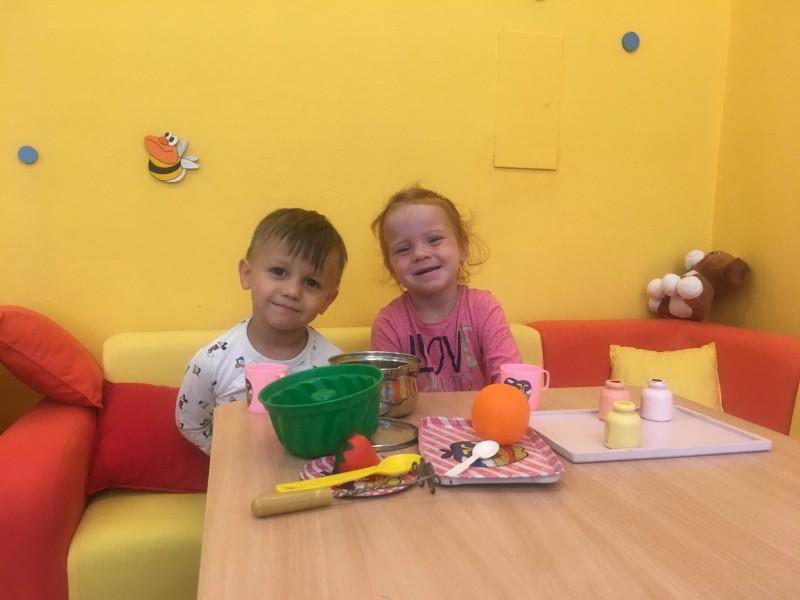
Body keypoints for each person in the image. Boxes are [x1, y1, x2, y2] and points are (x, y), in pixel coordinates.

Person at [176, 208, 347, 454]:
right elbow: (189, 422)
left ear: (327, 300)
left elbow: (337, 429)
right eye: (279, 272)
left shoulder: (333, 367)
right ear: (247, 274)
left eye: (311, 282)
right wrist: (224, 457)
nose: (292, 291)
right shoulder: (211, 361)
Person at [370, 186, 521, 392]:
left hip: (480, 413)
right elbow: (387, 397)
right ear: (391, 267)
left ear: (463, 247)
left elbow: (511, 383)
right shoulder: (389, 324)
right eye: (403, 249)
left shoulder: (483, 308)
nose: (420, 254)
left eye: (434, 240)